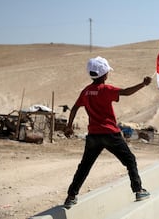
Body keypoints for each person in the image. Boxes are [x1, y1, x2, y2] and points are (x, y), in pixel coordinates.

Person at [63, 56, 151, 209]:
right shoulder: (106, 89)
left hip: (93, 136)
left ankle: (71, 196)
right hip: (110, 134)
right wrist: (143, 84)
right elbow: (126, 92)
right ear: (104, 74)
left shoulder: (86, 91)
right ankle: (138, 190)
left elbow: (75, 107)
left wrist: (69, 126)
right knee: (130, 160)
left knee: (84, 166)